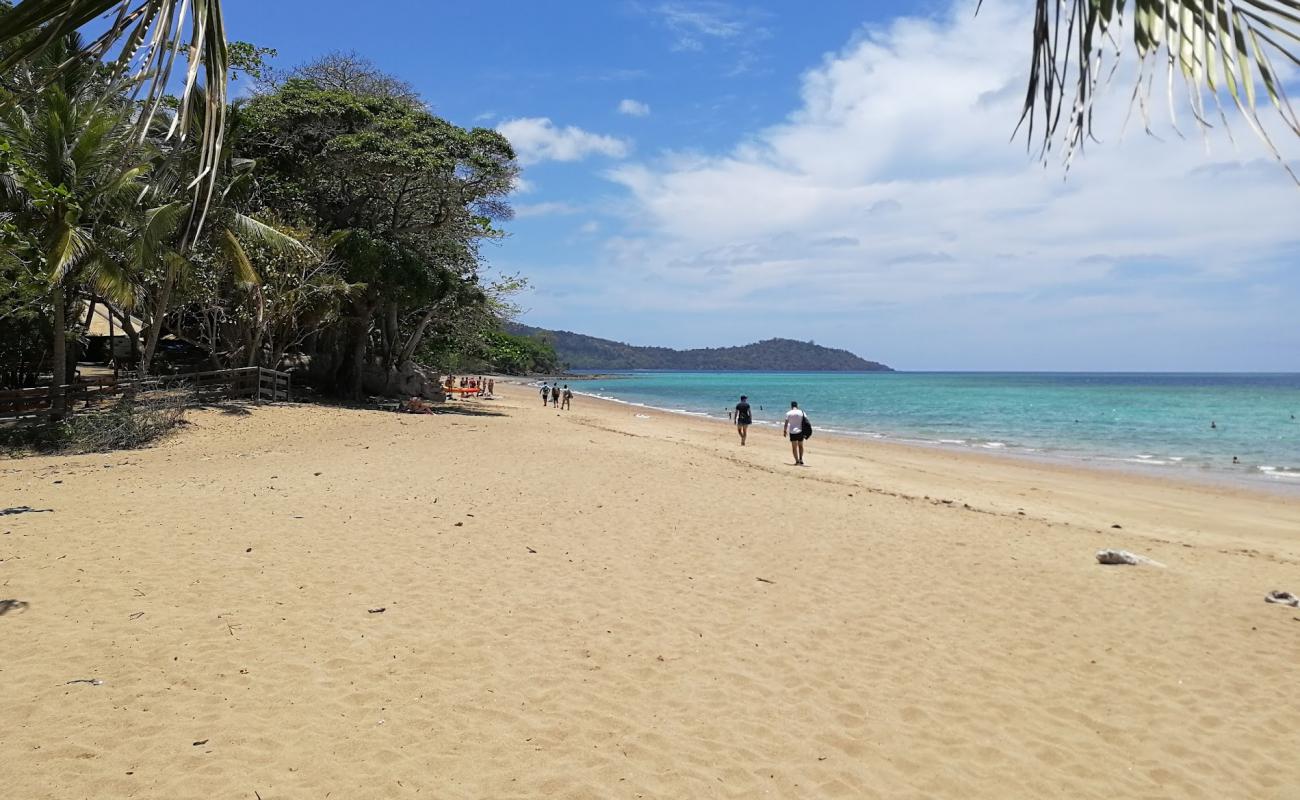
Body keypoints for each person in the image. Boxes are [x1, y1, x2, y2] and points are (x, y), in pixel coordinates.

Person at [783, 401, 808, 465]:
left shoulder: (788, 413)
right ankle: (801, 459)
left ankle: (797, 461)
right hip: (800, 431)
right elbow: (806, 422)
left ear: (791, 406)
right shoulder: (802, 412)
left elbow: (786, 424)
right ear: (797, 406)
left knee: (794, 447)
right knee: (801, 446)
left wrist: (784, 431)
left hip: (792, 432)